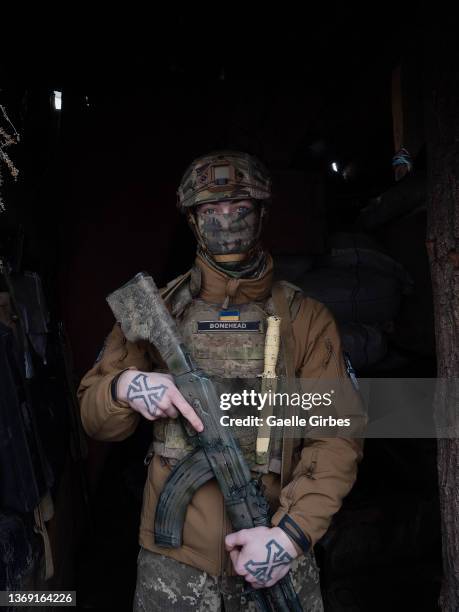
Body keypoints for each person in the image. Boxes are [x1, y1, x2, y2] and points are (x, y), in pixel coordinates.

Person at [78, 150, 363, 611]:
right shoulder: (158, 311)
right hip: (174, 564)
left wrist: (288, 538)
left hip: (274, 549)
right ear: (192, 220)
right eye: (211, 211)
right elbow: (93, 416)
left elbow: (337, 438)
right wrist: (125, 387)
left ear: (263, 213)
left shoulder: (305, 319)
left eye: (240, 209)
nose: (226, 221)